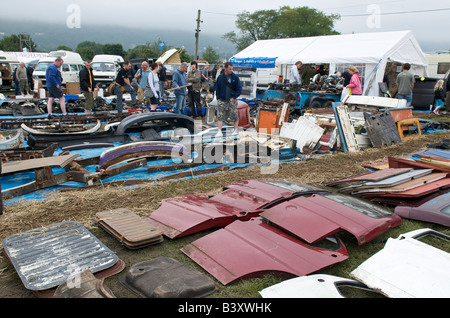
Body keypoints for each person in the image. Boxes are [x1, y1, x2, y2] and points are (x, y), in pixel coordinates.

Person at [215, 62, 242, 137]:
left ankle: (235, 130)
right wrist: (218, 98)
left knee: (234, 115)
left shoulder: (235, 77)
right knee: (220, 115)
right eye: (230, 69)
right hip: (222, 99)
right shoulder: (220, 77)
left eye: (232, 69)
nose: (231, 70)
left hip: (232, 99)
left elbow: (239, 89)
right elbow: (217, 88)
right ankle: (219, 131)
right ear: (225, 68)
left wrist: (234, 97)